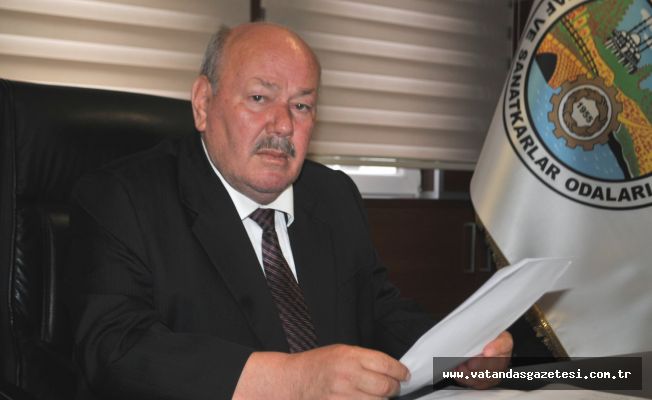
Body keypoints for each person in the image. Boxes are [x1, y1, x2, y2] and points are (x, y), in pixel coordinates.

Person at [67, 22, 512, 400]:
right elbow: (115, 349)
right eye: (260, 98)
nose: (283, 124)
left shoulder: (333, 195)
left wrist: (458, 353)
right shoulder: (124, 198)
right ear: (203, 103)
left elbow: (378, 312)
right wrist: (292, 380)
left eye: (301, 105)